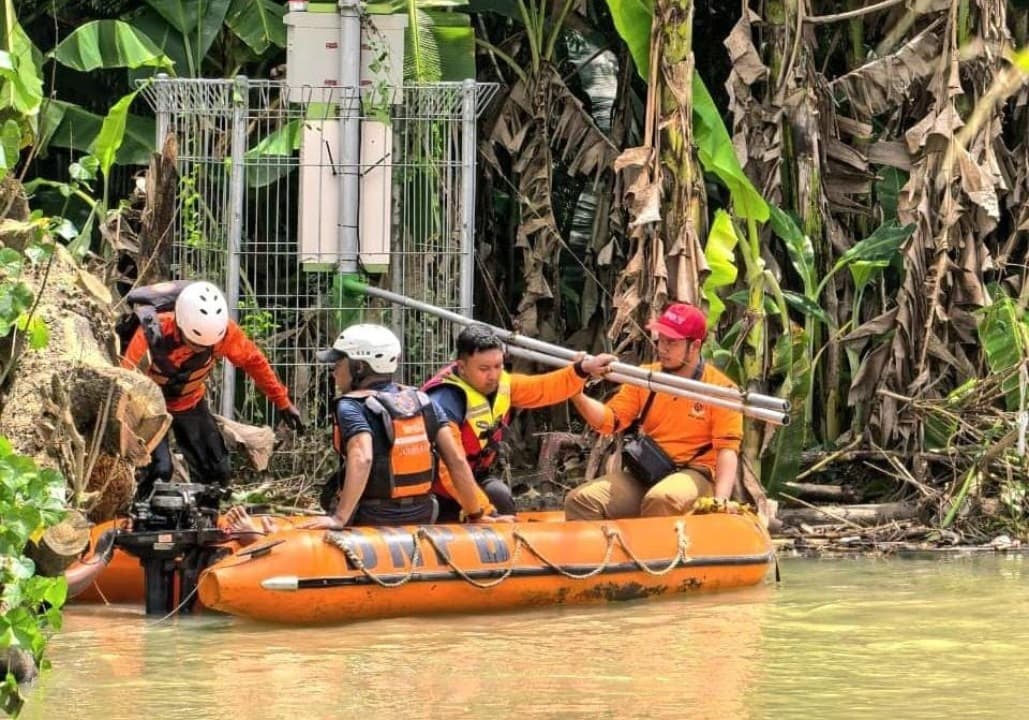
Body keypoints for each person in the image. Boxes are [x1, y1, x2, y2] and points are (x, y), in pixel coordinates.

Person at [120, 281, 303, 502]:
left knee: (217, 471)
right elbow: (125, 381)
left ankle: (206, 517)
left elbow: (255, 363)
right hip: (148, 408)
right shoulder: (151, 332)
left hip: (189, 401)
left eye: (205, 346)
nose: (198, 349)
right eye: (193, 342)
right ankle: (141, 516)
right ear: (179, 324)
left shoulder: (225, 334)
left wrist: (282, 402)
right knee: (160, 469)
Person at [302, 324, 497, 529]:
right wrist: (476, 514)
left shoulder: (351, 406)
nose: (334, 372)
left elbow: (362, 457)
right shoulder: (422, 401)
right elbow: (456, 460)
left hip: (371, 516)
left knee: (330, 498)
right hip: (423, 514)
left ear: (358, 367)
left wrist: (339, 518)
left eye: (338, 363)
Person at [564, 303, 743, 520]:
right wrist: (576, 393)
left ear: (694, 346)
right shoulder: (646, 377)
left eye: (672, 342)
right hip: (649, 470)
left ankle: (659, 552)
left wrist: (720, 501)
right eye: (661, 339)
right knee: (580, 500)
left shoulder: (721, 389)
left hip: (695, 474)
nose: (662, 348)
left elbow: (727, 450)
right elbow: (609, 421)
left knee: (661, 499)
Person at [422, 324, 616, 521]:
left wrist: (582, 370)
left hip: (473, 475)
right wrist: (482, 513)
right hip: (438, 489)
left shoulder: (500, 385)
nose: (493, 376)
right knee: (491, 507)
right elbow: (450, 467)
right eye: (484, 369)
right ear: (462, 367)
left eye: (498, 366)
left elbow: (543, 389)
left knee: (501, 496)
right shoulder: (445, 400)